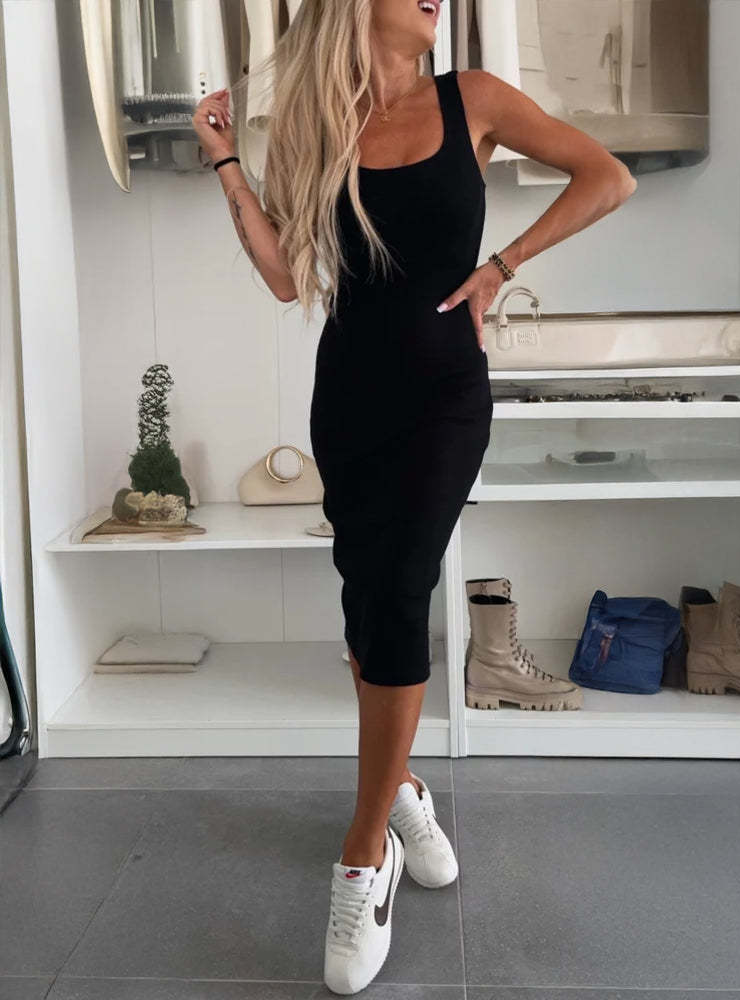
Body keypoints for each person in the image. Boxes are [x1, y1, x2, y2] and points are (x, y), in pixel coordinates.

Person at [193, 0, 636, 992]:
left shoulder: (473, 99)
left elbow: (607, 177)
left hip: (445, 395)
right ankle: (400, 790)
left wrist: (501, 266)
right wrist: (225, 159)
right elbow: (285, 277)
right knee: (366, 604)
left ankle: (364, 855)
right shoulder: (313, 124)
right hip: (349, 399)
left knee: (398, 587)